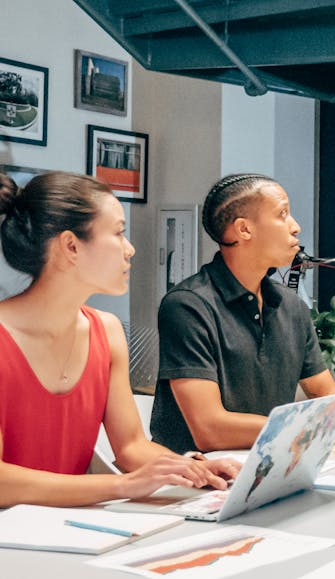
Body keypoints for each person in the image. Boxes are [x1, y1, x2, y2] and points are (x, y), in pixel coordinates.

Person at [0, 171, 239, 507]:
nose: (130, 249)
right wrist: (122, 486)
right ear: (70, 246)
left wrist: (191, 469)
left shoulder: (107, 330)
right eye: (118, 232)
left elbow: (130, 447)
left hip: (68, 531)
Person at [150, 173, 335, 453]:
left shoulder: (290, 306)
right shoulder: (188, 306)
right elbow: (211, 430)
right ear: (244, 230)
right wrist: (316, 422)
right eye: (283, 214)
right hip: (192, 481)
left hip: (268, 466)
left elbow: (325, 393)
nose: (295, 227)